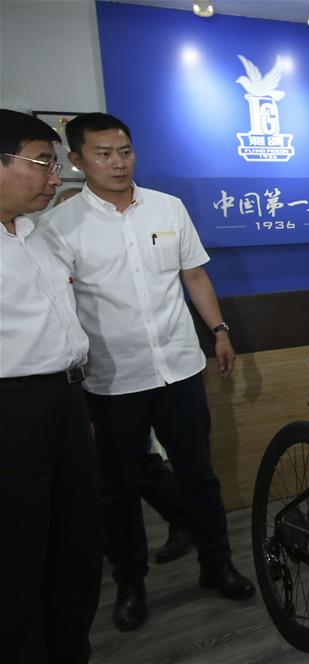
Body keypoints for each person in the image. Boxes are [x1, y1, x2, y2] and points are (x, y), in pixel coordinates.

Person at [41, 112, 254, 633]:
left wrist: (219, 330)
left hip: (179, 366)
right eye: (103, 154)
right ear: (76, 160)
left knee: (199, 475)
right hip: (110, 380)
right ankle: (130, 582)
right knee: (117, 488)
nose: (118, 163)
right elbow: (60, 304)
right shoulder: (58, 225)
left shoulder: (167, 207)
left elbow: (194, 274)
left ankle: (216, 562)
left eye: (125, 151)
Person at [0, 109, 102, 664]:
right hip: (11, 411)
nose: (54, 176)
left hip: (62, 401)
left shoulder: (34, 236)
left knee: (75, 545)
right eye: (41, 162)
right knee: (17, 554)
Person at [52, 186, 192, 564]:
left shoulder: (167, 207)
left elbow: (192, 274)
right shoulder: (49, 239)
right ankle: (128, 573)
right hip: (91, 376)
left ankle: (189, 526)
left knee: (139, 468)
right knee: (116, 479)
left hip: (158, 370)